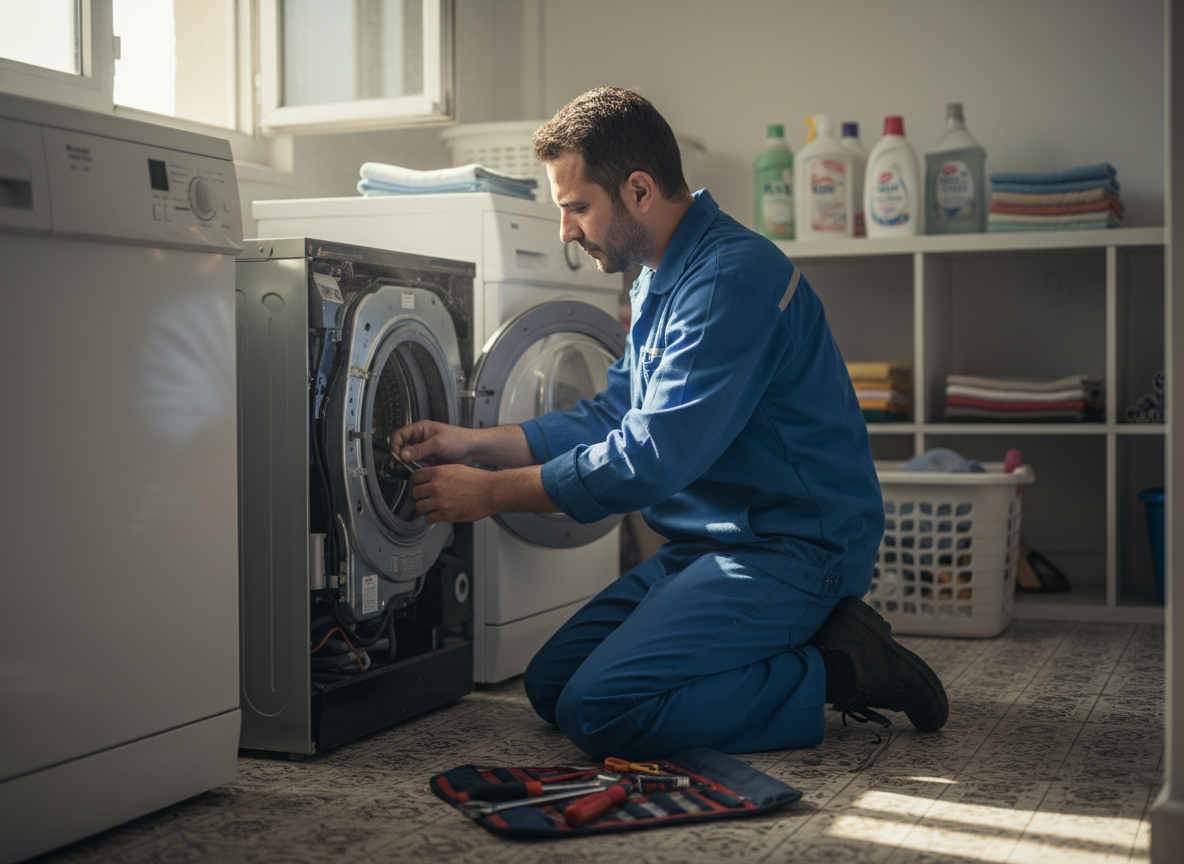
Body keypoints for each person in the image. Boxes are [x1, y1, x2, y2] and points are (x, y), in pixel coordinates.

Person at [392, 87, 948, 760]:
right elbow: (613, 414)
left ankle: (841, 667)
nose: (566, 230)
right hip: (707, 548)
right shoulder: (659, 277)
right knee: (552, 685)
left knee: (600, 711)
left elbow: (650, 458)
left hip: (793, 548)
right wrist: (476, 444)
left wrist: (487, 495)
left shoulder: (729, 280)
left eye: (576, 207)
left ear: (639, 190)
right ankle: (770, 650)